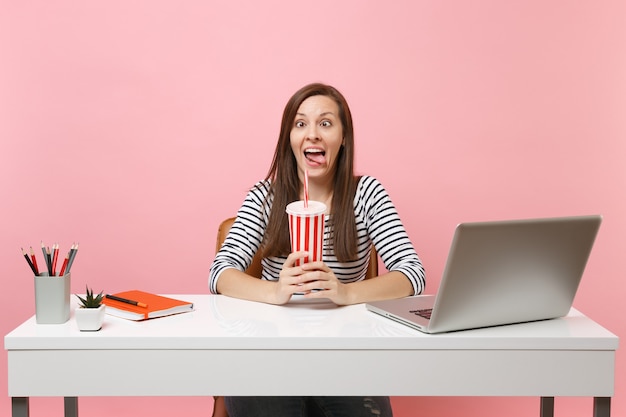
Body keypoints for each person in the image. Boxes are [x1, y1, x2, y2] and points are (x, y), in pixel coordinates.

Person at [209, 83, 426, 417]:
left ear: (343, 138)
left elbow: (412, 273)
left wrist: (345, 292)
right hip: (269, 355)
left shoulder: (365, 194)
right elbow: (221, 272)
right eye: (300, 124)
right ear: (289, 140)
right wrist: (276, 291)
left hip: (345, 357)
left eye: (325, 123)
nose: (312, 134)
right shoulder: (265, 197)